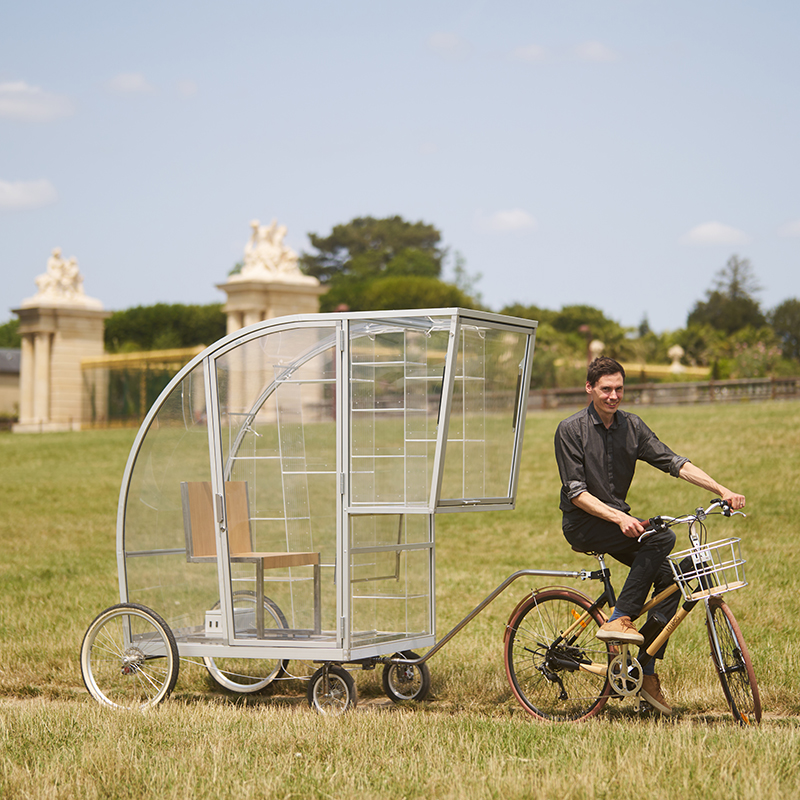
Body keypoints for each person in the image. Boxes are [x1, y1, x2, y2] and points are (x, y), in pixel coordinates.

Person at [553, 356, 745, 714]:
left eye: (619, 389)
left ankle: (646, 671)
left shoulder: (632, 426)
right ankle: (618, 618)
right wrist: (619, 519)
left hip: (617, 520)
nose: (613, 396)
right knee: (661, 539)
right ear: (590, 389)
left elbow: (674, 462)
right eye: (606, 389)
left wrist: (722, 489)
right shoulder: (570, 429)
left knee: (674, 579)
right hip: (584, 523)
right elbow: (576, 493)